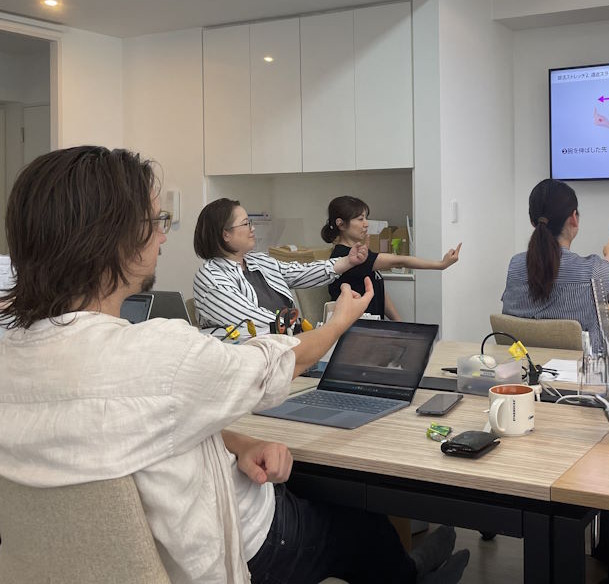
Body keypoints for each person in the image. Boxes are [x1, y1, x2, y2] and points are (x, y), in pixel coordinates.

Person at [0, 146, 468, 584]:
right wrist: (339, 323)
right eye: (156, 220)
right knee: (357, 520)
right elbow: (269, 362)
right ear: (112, 240)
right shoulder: (161, 352)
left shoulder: (12, 356)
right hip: (245, 543)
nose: (163, 235)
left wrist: (235, 441)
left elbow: (131, 424)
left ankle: (410, 567)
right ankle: (411, 574)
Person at [192, 198, 361, 332]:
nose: (252, 229)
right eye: (246, 223)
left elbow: (299, 272)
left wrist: (348, 261)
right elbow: (250, 318)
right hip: (253, 353)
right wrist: (304, 330)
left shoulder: (258, 261)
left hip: (286, 341)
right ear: (225, 234)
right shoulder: (211, 277)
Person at [501, 178, 609, 351]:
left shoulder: (515, 266)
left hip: (523, 364)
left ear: (533, 222)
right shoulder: (593, 271)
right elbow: (608, 266)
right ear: (573, 219)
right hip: (579, 367)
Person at [323, 195, 462, 320]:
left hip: (371, 325)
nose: (366, 224)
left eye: (366, 218)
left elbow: (378, 290)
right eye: (360, 219)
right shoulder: (344, 256)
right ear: (341, 224)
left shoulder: (359, 254)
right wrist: (440, 264)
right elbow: (400, 261)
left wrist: (398, 322)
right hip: (353, 328)